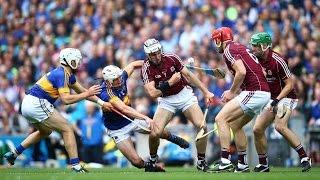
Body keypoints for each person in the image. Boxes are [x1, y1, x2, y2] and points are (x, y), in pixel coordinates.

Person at [4, 48, 112, 173]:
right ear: (70, 60)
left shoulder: (66, 75)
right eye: (77, 60)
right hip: (37, 102)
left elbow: (82, 91)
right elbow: (66, 100)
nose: (79, 62)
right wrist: (88, 93)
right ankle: (76, 165)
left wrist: (102, 103)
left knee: (45, 132)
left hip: (28, 104)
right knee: (67, 128)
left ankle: (14, 153)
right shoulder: (62, 74)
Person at [98, 62, 190, 171]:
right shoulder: (106, 93)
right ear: (108, 82)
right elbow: (123, 109)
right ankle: (150, 166)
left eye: (119, 77)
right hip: (117, 129)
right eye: (115, 80)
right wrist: (145, 117)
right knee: (136, 162)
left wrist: (151, 64)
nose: (119, 80)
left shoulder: (120, 77)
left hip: (131, 120)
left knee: (157, 130)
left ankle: (175, 139)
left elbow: (132, 65)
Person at [141, 38, 215, 172]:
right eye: (153, 55)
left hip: (184, 95)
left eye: (158, 52)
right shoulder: (146, 68)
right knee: (154, 133)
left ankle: (201, 161)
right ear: (148, 55)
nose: (156, 56)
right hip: (166, 100)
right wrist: (170, 82)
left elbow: (189, 75)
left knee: (202, 127)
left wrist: (206, 92)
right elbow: (152, 93)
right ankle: (152, 161)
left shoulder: (172, 58)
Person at [210, 27, 271, 172]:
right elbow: (259, 70)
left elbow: (241, 72)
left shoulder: (228, 50)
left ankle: (225, 161)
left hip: (254, 92)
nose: (215, 44)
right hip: (262, 92)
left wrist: (232, 92)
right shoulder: (240, 47)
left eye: (215, 41)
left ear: (219, 40)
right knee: (235, 124)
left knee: (220, 119)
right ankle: (242, 164)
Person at [249, 32, 311, 172]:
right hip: (270, 98)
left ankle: (304, 157)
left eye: (256, 46)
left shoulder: (278, 60)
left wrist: (276, 100)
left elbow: (290, 85)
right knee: (257, 129)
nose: (253, 48)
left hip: (286, 96)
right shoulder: (255, 59)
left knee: (280, 126)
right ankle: (264, 164)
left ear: (264, 46)